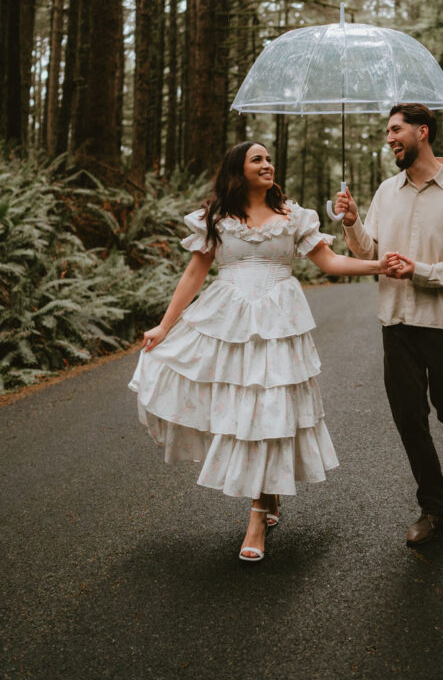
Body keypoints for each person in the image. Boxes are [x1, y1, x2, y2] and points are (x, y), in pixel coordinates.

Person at [129, 141, 390, 563]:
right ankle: (267, 496)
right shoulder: (216, 218)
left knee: (271, 409)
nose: (268, 164)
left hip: (280, 324)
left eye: (269, 159)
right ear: (239, 170)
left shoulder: (293, 216)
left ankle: (256, 516)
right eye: (258, 160)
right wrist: (165, 325)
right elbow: (194, 274)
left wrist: (378, 266)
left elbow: (330, 263)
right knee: (246, 413)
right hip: (229, 323)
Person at [335, 103, 443, 547]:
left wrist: (420, 271)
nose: (389, 139)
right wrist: (353, 221)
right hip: (397, 322)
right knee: (409, 417)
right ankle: (432, 507)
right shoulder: (387, 191)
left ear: (423, 132)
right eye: (387, 132)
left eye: (396, 130)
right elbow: (370, 252)